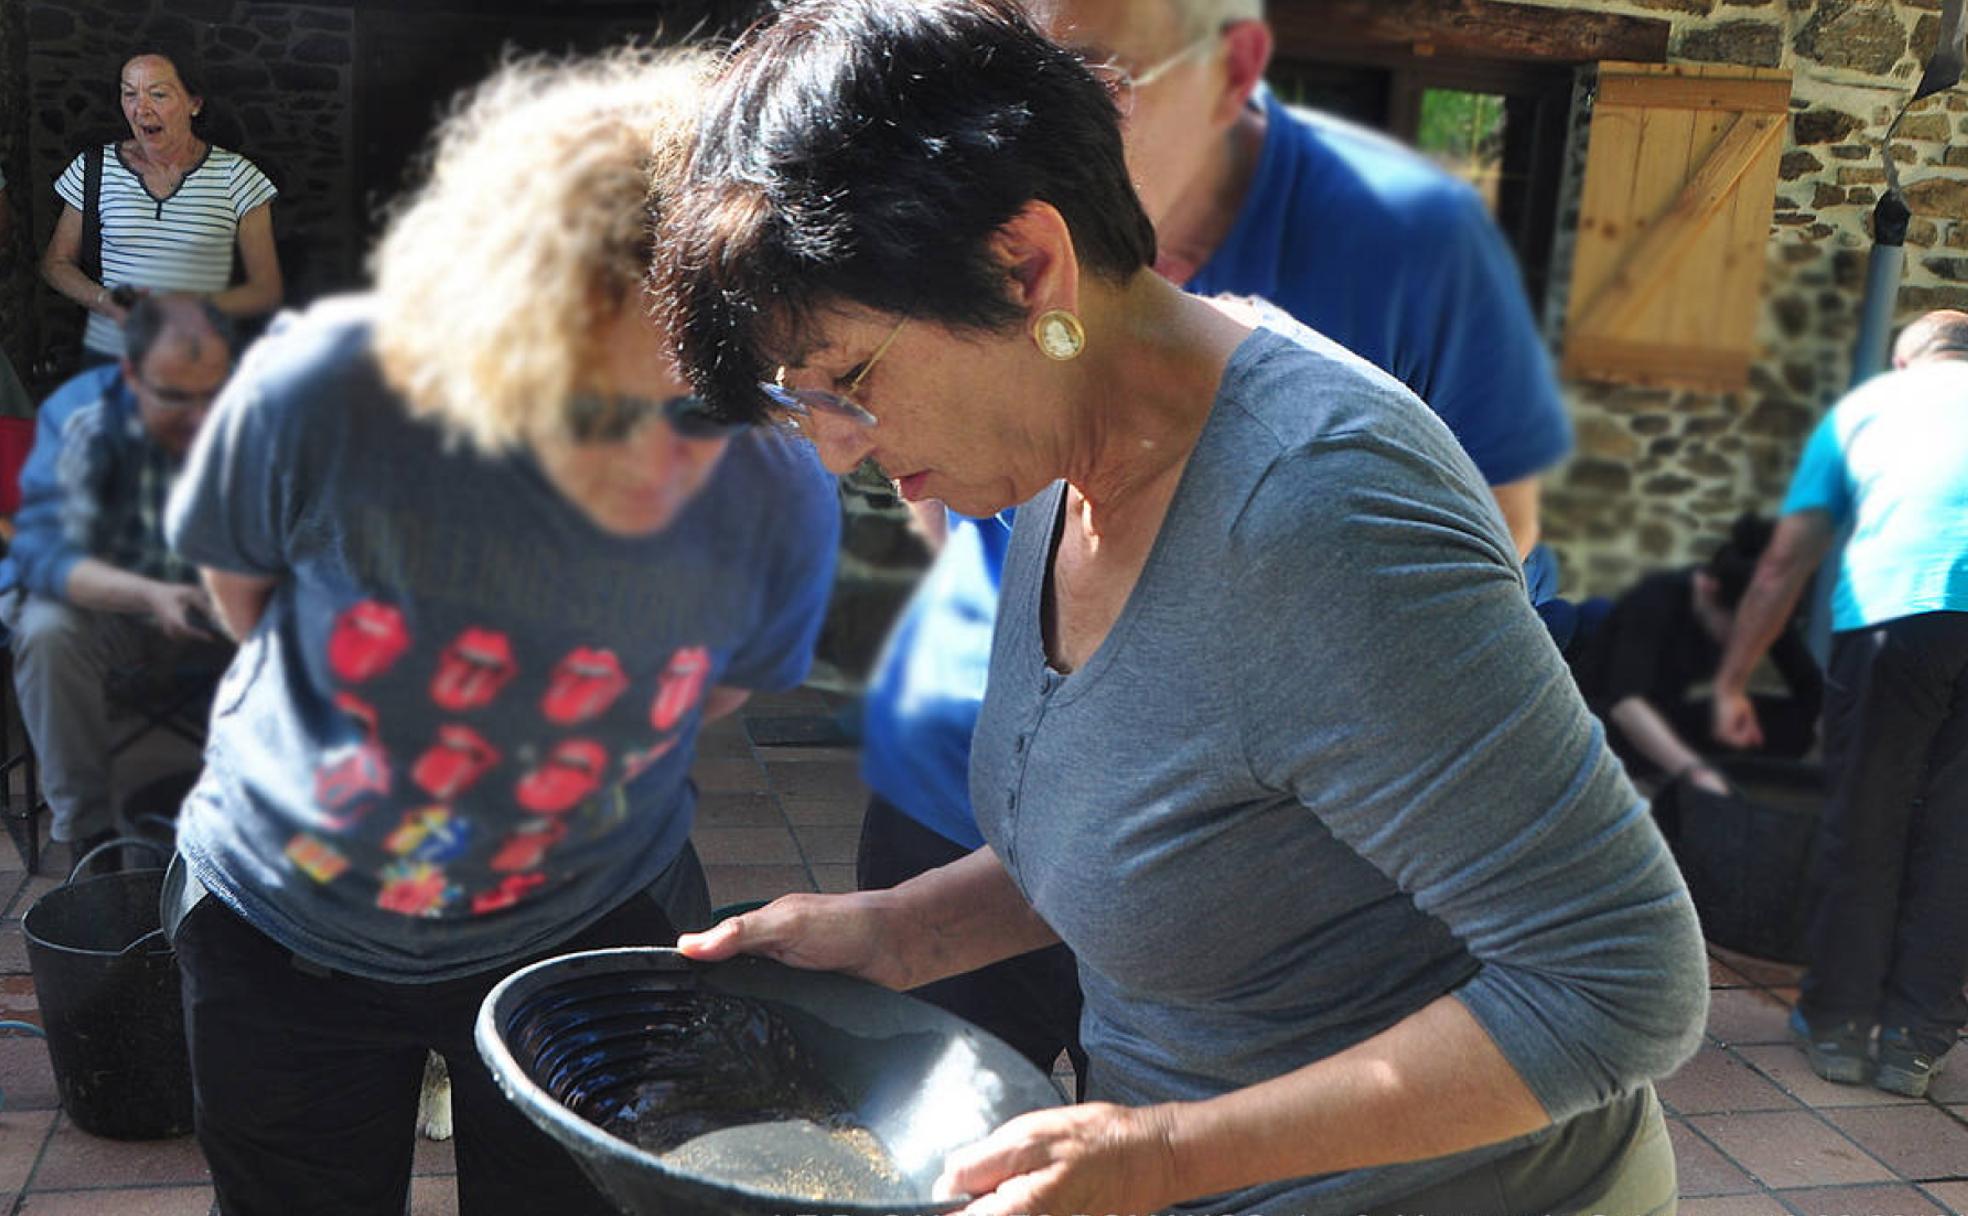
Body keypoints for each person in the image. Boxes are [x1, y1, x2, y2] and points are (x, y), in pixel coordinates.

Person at [668, 4, 1706, 1214]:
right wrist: (901, 934)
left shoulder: (1319, 515)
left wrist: (1167, 1154)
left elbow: (1623, 980)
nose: (845, 452)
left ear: (1027, 266)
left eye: (852, 375)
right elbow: (1173, 834)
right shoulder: (1079, 459)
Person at [159, 51, 839, 1216]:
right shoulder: (325, 391)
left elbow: (716, 690)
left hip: (589, 932)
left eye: (694, 406)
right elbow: (242, 589)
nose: (647, 469)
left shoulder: (782, 477)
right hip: (286, 930)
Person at [853, 0, 1573, 1082]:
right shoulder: (1002, 256)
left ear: (1234, 64)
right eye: (1006, 69)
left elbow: (1495, 539)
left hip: (1235, 843)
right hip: (962, 792)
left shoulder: (1402, 241)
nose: (1020, 121)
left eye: (1091, 74)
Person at [1713, 309, 1968, 1100]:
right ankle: (1914, 1044)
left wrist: (1732, 680)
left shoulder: (1868, 409)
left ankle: (1840, 1029)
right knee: (1960, 832)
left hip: (1899, 615)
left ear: (1903, 361)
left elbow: (1786, 559)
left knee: (1869, 816)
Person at [0, 294, 232, 858]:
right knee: (49, 628)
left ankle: (288, 829)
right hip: (117, 606)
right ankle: (89, 833)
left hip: (229, 606)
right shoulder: (84, 423)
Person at [39, 48, 282, 368]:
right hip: (112, 359)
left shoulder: (237, 176)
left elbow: (266, 288)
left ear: (194, 103)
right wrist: (105, 302)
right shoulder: (93, 169)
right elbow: (55, 263)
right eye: (129, 94)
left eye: (158, 94)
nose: (141, 109)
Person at [1571, 512, 1822, 793]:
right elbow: (1627, 706)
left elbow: (1811, 690)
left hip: (1673, 717)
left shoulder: (1762, 610)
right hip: (1604, 725)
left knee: (1791, 722)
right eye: (1736, 633)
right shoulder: (1656, 600)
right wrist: (1695, 773)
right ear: (1708, 590)